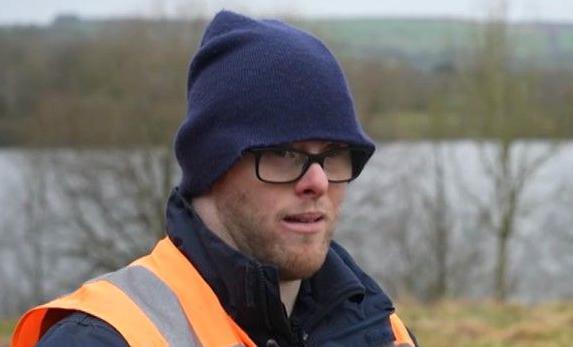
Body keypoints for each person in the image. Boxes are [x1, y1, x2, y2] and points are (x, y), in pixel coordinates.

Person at [11, 10, 419, 347]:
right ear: (213, 164)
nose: (317, 182)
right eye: (283, 153)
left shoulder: (382, 332)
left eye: (333, 155)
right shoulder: (106, 337)